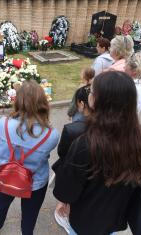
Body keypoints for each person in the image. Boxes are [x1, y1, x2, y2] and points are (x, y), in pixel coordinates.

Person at [53, 71, 141, 235]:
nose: (89, 93)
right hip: (117, 216)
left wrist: (63, 201)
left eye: (91, 91)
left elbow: (66, 189)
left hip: (85, 221)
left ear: (96, 101)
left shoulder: (85, 143)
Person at [0, 80, 60, 235]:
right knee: (30, 214)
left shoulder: (3, 124)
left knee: (1, 204)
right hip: (35, 180)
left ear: (18, 101)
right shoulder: (51, 134)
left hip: (7, 174)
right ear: (43, 102)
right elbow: (45, 154)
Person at [52, 86, 92, 233]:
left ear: (81, 104)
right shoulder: (120, 129)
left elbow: (63, 154)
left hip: (75, 179)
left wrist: (63, 198)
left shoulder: (72, 130)